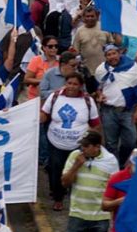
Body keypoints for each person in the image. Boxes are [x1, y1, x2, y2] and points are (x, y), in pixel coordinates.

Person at [41, 71, 101, 211]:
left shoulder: (87, 101)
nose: (72, 86)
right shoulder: (55, 97)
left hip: (78, 145)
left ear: (81, 86)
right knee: (56, 169)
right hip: (55, 142)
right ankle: (58, 197)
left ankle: (76, 195)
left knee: (77, 169)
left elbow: (95, 124)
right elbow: (44, 115)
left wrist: (96, 144)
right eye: (69, 83)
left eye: (75, 84)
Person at [61, 130, 118, 232]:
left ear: (97, 146)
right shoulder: (75, 156)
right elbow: (65, 183)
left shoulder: (110, 161)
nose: (83, 149)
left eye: (86, 146)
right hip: (77, 214)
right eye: (82, 145)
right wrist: (76, 166)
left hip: (100, 217)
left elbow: (114, 189)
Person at [94, 44, 137, 166]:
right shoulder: (101, 70)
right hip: (108, 111)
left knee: (130, 142)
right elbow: (98, 87)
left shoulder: (131, 67)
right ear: (105, 57)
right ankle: (114, 169)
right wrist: (99, 95)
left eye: (114, 53)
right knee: (111, 143)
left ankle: (123, 163)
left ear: (119, 53)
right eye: (109, 55)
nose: (112, 57)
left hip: (127, 111)